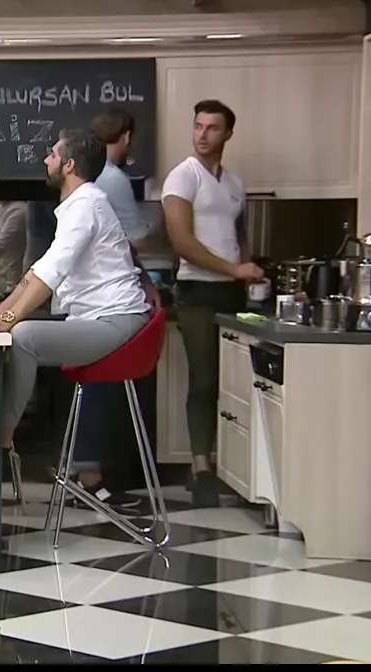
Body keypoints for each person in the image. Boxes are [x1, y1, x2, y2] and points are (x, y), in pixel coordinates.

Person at [0, 129, 153, 468]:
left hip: (116, 321)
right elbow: (36, 273)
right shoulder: (77, 205)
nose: (45, 160)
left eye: (52, 154)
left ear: (69, 165)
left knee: (23, 337)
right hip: (96, 319)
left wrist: (7, 320)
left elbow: (50, 275)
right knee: (15, 331)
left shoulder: (86, 205)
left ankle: (1, 440)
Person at [162, 100, 262, 507]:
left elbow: (240, 236)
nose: (202, 135)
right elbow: (182, 242)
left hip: (232, 294)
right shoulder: (183, 177)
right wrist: (233, 269)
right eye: (198, 126)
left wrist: (248, 272)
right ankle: (201, 467)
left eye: (212, 128)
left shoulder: (235, 183)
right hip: (197, 292)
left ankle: (235, 466)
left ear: (228, 134)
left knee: (234, 381)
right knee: (204, 379)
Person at [68, 108, 158, 509]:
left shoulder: (80, 180)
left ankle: (80, 471)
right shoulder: (113, 179)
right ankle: (90, 477)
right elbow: (135, 242)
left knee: (90, 386)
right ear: (126, 137)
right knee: (103, 385)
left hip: (81, 300)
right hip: (106, 303)